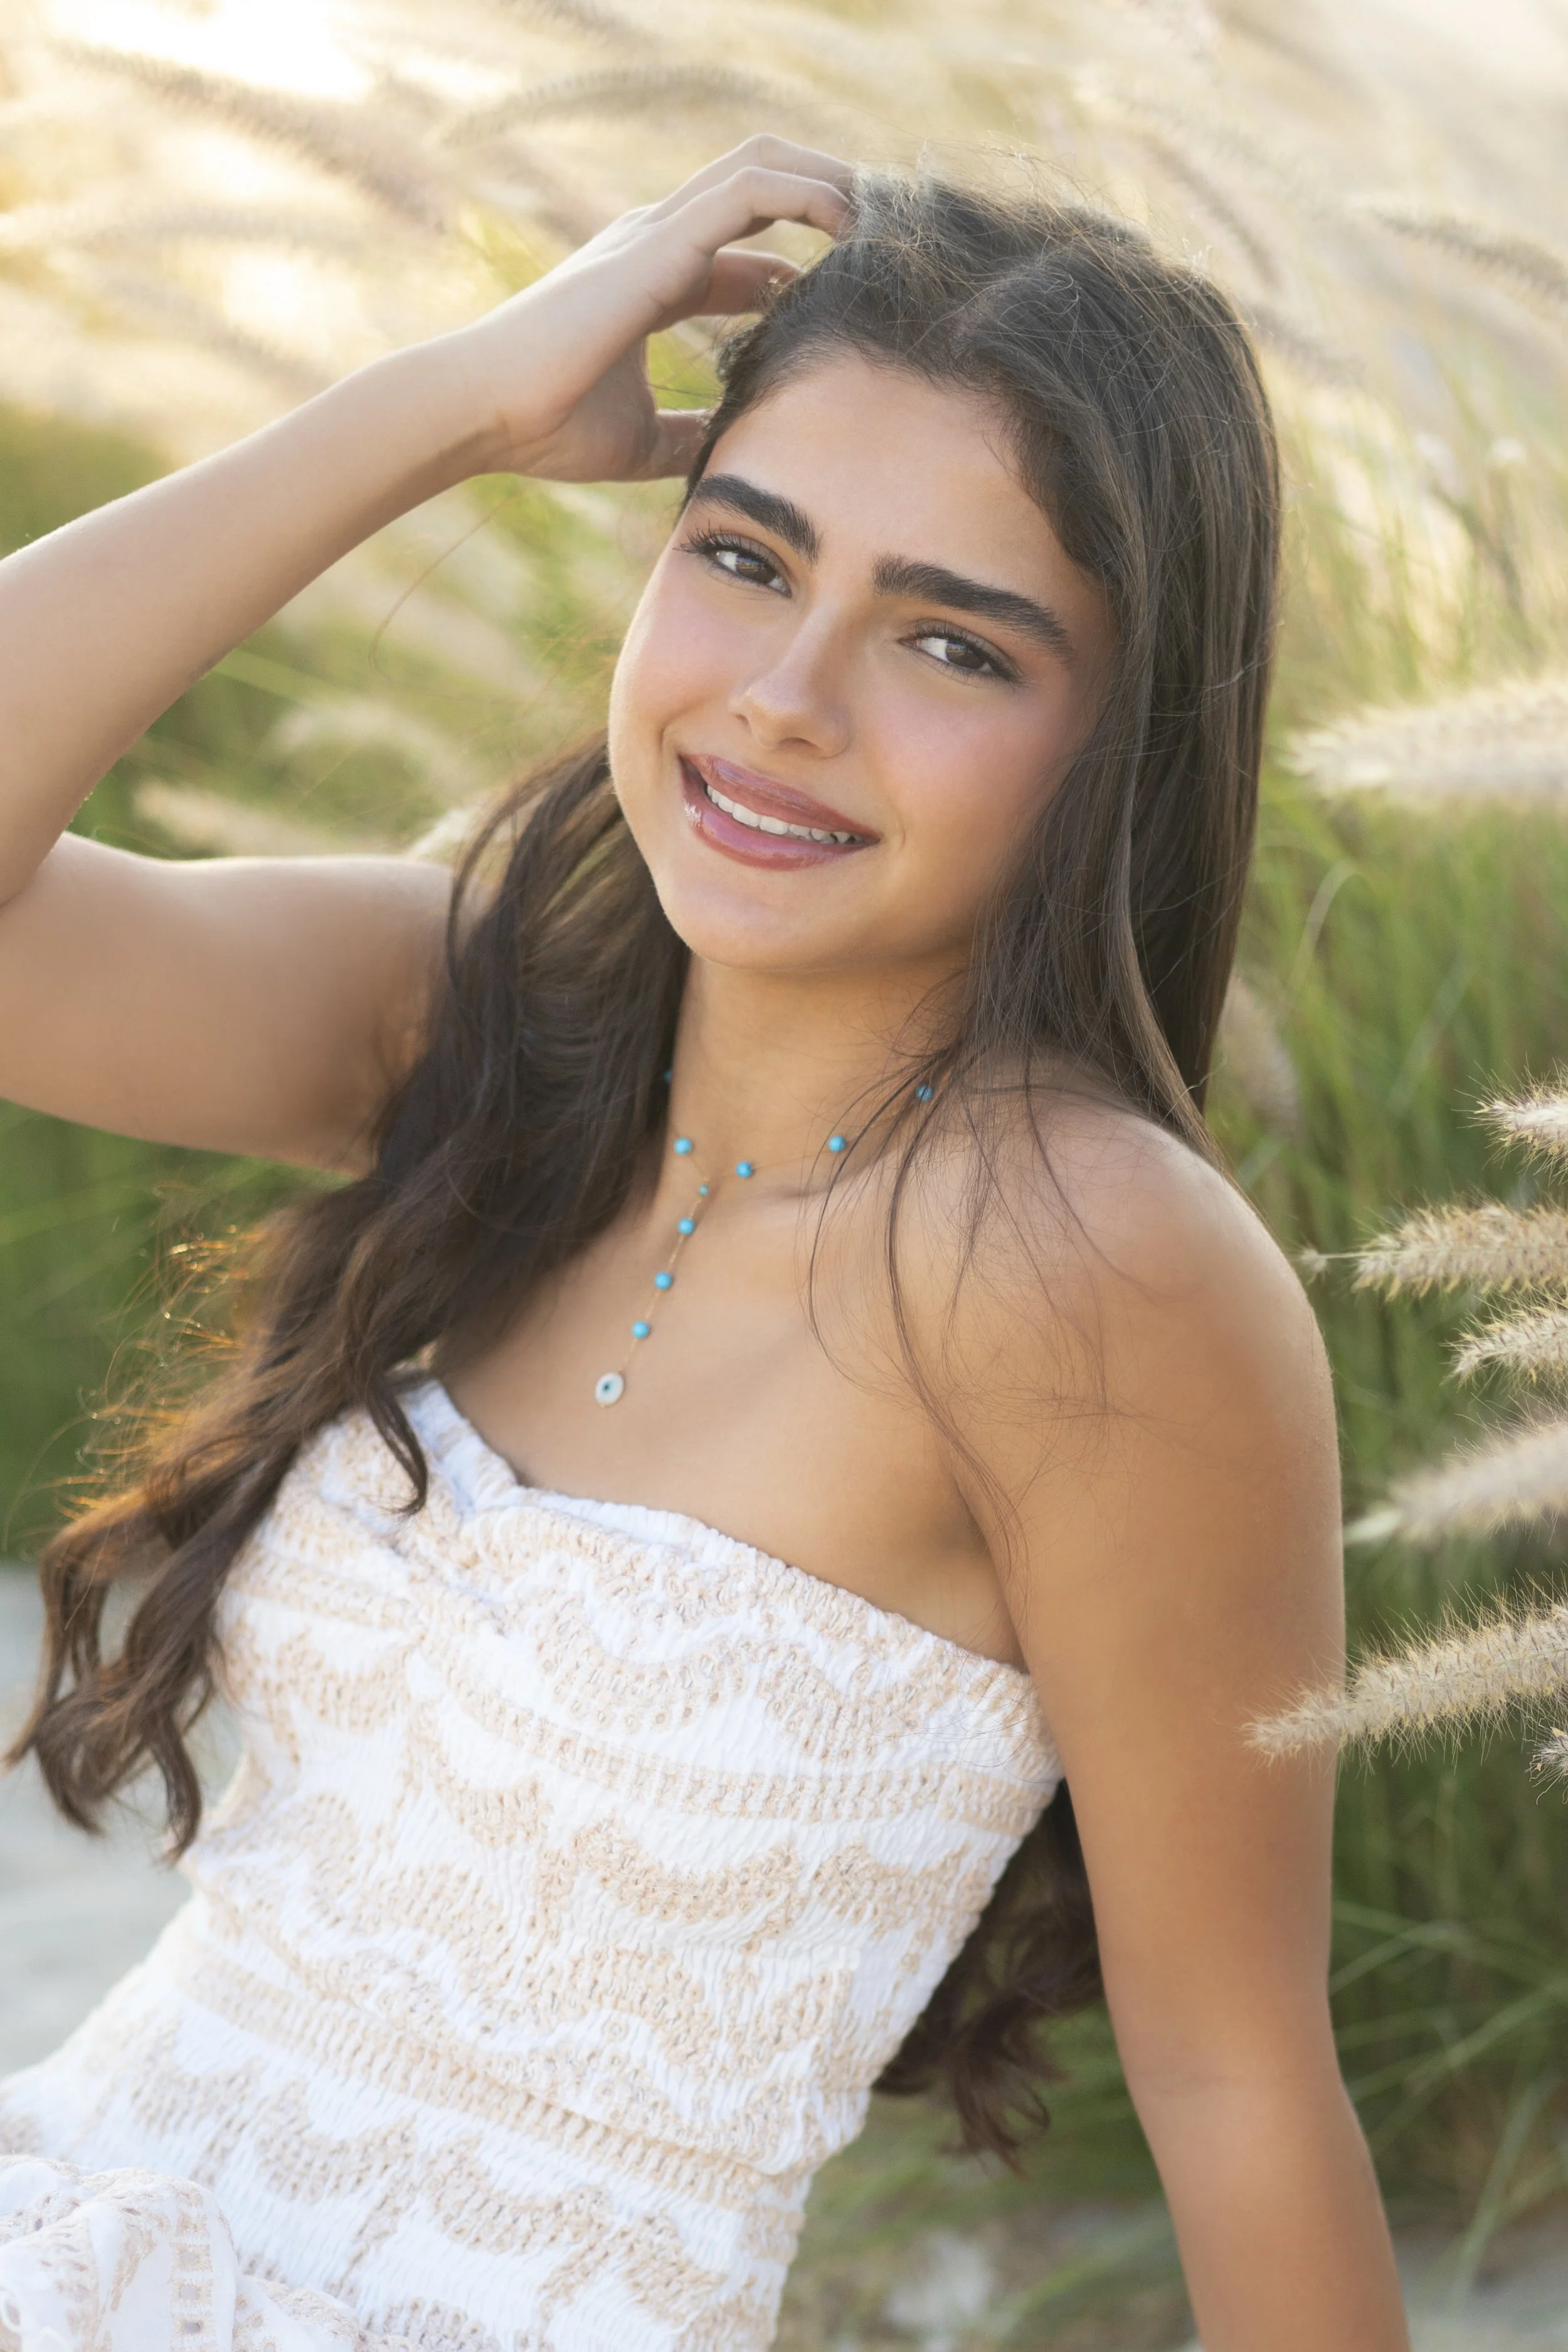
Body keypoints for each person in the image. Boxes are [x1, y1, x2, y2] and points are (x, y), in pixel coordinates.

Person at [0, 137, 1407, 2352]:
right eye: (745, 558)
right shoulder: (476, 1024)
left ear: (1116, 744)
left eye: (952, 637)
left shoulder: (1093, 1272)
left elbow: (1236, 2081)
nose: (785, 694)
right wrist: (448, 403)